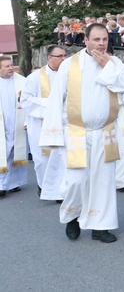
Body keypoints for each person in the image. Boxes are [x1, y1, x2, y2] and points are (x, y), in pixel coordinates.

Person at [40, 23, 124, 243]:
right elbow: (56, 99)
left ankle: (100, 226)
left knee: (103, 181)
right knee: (76, 180)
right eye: (96, 40)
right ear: (86, 40)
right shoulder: (70, 65)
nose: (101, 44)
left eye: (104, 40)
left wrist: (108, 67)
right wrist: (53, 136)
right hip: (76, 132)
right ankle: (73, 217)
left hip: (105, 132)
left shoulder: (114, 62)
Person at [21, 45, 66, 196]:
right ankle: (44, 186)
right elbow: (25, 100)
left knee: (62, 157)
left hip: (64, 123)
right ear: (49, 58)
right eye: (59, 56)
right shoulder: (34, 78)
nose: (63, 59)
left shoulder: (69, 75)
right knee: (42, 160)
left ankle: (61, 190)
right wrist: (51, 103)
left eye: (64, 56)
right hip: (40, 125)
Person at [0, 56, 27, 199]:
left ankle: (15, 182)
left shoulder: (22, 81)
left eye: (12, 65)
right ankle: (2, 186)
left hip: (16, 122)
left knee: (15, 152)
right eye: (6, 66)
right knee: (3, 154)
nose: (11, 68)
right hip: (2, 124)